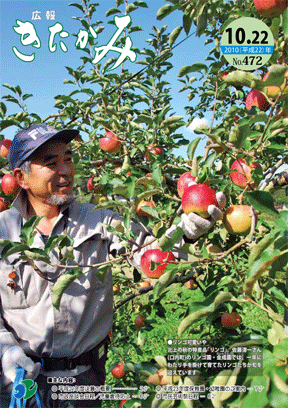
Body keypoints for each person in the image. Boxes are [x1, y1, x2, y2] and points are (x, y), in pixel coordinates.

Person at [0, 123, 225, 408]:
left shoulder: (101, 220)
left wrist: (184, 232)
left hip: (84, 381)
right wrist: (4, 350)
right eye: (51, 163)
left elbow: (150, 257)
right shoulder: (3, 232)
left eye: (67, 158)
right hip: (20, 383)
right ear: (21, 177)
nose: (65, 170)